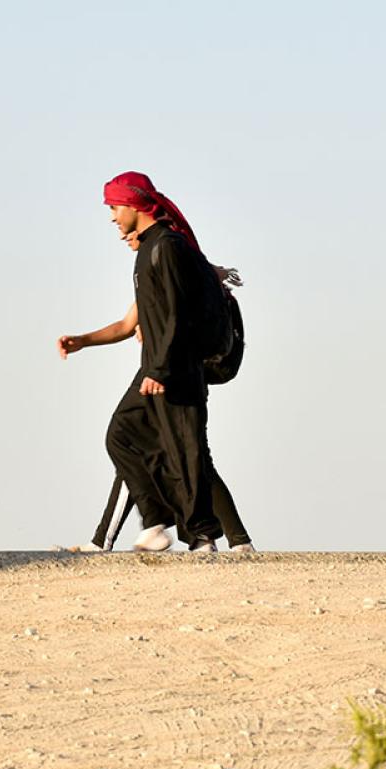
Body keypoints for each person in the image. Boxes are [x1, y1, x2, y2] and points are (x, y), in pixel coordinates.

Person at [59, 171, 238, 552]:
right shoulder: (150, 250)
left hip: (175, 368)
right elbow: (136, 320)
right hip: (158, 366)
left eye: (113, 207)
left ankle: (203, 538)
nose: (111, 217)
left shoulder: (166, 247)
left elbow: (176, 312)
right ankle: (156, 521)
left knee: (186, 452)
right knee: (123, 435)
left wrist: (159, 368)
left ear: (133, 204)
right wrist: (82, 342)